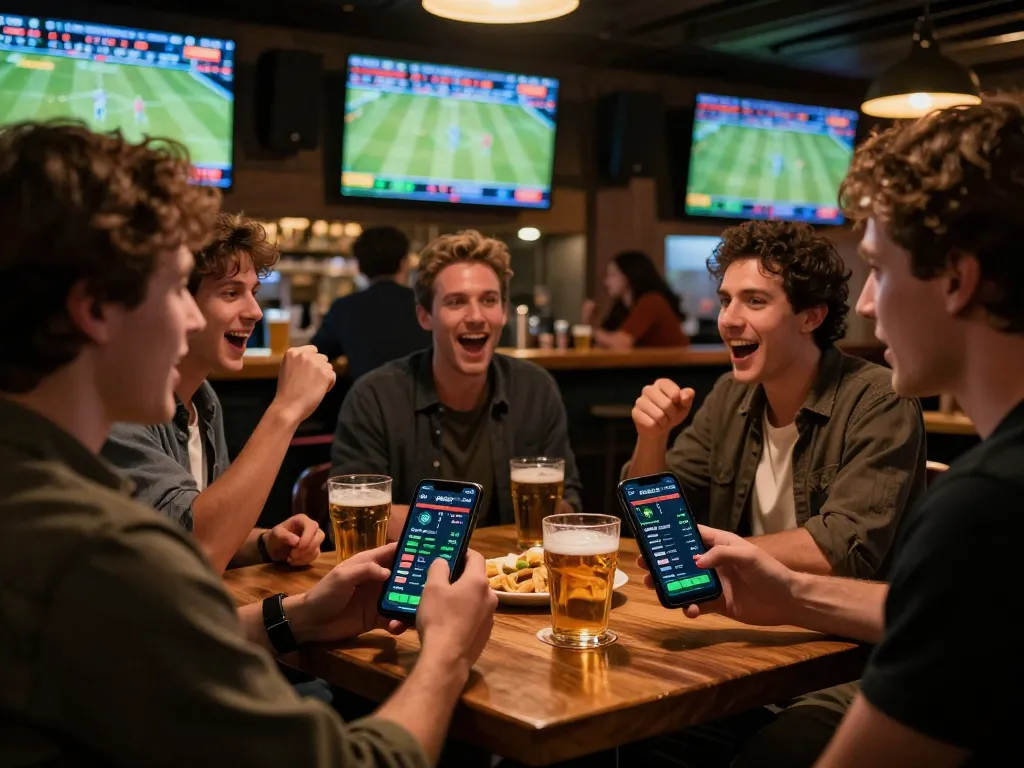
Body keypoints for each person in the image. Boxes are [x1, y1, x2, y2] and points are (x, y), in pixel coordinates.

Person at [0, 121, 497, 767]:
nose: (187, 319)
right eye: (175, 287)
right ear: (94, 307)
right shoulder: (102, 551)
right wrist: (446, 656)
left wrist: (299, 617)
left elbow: (147, 645)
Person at [638, 95, 1024, 766]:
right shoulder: (987, 494)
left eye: (878, 268)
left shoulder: (987, 506)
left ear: (958, 279)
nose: (868, 303)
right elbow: (937, 616)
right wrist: (787, 592)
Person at [627, 220, 925, 579]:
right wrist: (652, 436)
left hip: (844, 630)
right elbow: (653, 524)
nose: (728, 320)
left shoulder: (879, 400)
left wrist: (709, 550)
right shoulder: (729, 395)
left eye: (754, 301)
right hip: (742, 618)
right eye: (725, 301)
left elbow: (842, 548)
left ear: (811, 316)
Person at [103, 212, 334, 574]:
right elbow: (195, 552)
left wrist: (263, 542)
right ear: (175, 303)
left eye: (254, 293)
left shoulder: (204, 401)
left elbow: (197, 525)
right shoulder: (122, 405)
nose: (255, 311)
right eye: (231, 293)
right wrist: (286, 410)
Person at [331, 229, 583, 536]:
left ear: (503, 312)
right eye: (456, 302)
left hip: (513, 578)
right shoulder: (375, 397)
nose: (476, 316)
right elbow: (356, 518)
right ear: (425, 316)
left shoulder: (534, 389)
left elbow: (568, 501)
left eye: (489, 300)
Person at [312, 225, 431, 381]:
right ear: (404, 263)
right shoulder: (425, 304)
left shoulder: (345, 308)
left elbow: (315, 356)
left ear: (359, 267)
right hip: (430, 402)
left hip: (368, 403)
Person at [582, 250, 689, 349]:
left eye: (612, 275)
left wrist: (591, 329)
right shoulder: (622, 307)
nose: (606, 282)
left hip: (673, 367)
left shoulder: (651, 302)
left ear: (629, 276)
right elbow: (605, 343)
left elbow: (622, 343)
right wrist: (590, 323)